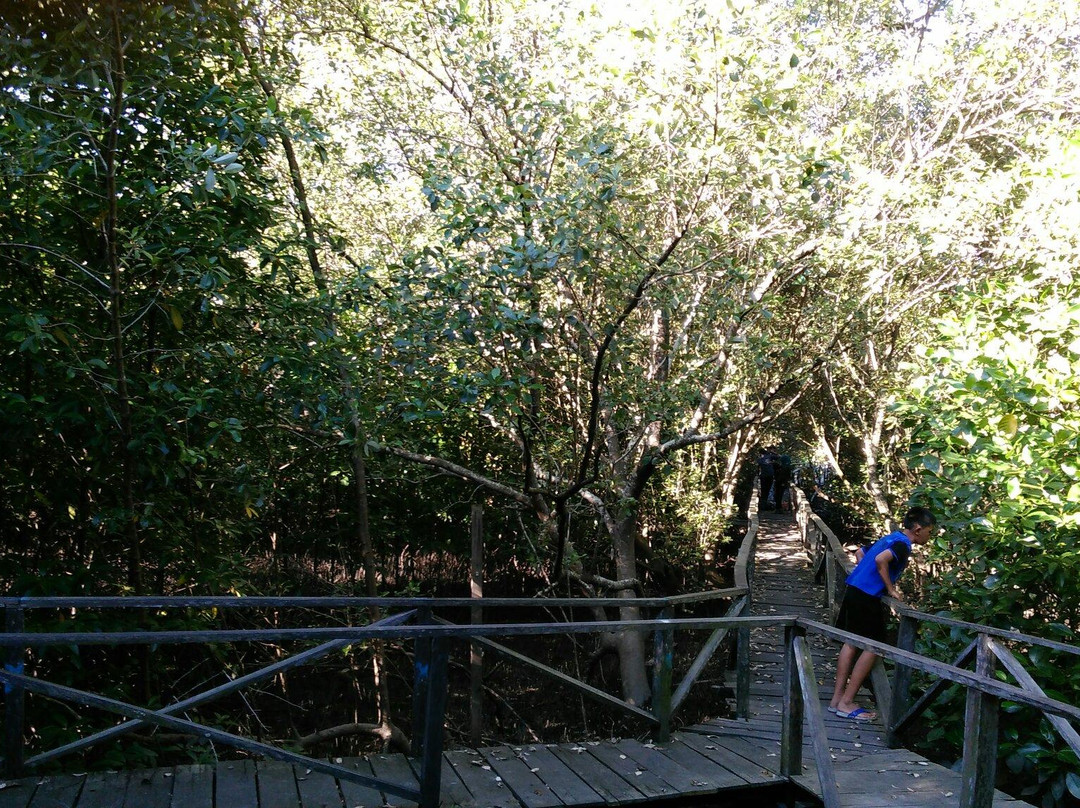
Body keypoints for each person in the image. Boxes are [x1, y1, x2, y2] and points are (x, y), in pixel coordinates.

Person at [829, 506, 936, 721]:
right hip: (867, 596)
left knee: (851, 643)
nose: (929, 536)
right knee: (874, 647)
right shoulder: (903, 545)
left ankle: (837, 700)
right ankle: (847, 702)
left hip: (854, 589)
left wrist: (867, 574)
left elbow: (860, 553)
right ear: (918, 529)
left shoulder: (891, 537)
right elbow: (881, 560)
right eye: (929, 531)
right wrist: (890, 588)